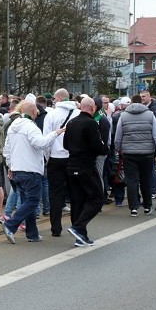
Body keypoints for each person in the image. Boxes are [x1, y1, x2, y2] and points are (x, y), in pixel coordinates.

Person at [2, 100, 64, 244]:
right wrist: (55, 133)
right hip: (30, 169)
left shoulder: (13, 127)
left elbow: (7, 150)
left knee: (26, 201)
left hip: (18, 170)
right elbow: (40, 143)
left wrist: (11, 166)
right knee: (33, 201)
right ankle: (11, 225)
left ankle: (32, 234)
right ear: (34, 111)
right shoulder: (31, 126)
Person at [62, 97, 108, 247]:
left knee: (77, 201)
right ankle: (78, 227)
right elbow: (97, 146)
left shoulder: (71, 123)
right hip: (86, 166)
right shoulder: (91, 123)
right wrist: (105, 149)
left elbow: (66, 145)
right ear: (93, 108)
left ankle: (80, 236)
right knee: (97, 198)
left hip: (71, 165)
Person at [114, 94, 156, 216]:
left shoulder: (123, 116)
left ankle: (134, 207)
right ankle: (147, 206)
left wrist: (118, 149)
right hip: (147, 153)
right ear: (141, 102)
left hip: (129, 153)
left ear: (130, 102)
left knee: (132, 180)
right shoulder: (150, 115)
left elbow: (118, 136)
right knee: (145, 179)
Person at [42, 88, 78, 237]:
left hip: (56, 158)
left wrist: (48, 157)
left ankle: (55, 228)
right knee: (75, 193)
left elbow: (46, 138)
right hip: (73, 158)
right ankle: (76, 225)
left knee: (55, 194)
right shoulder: (78, 114)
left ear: (58, 98)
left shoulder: (51, 115)